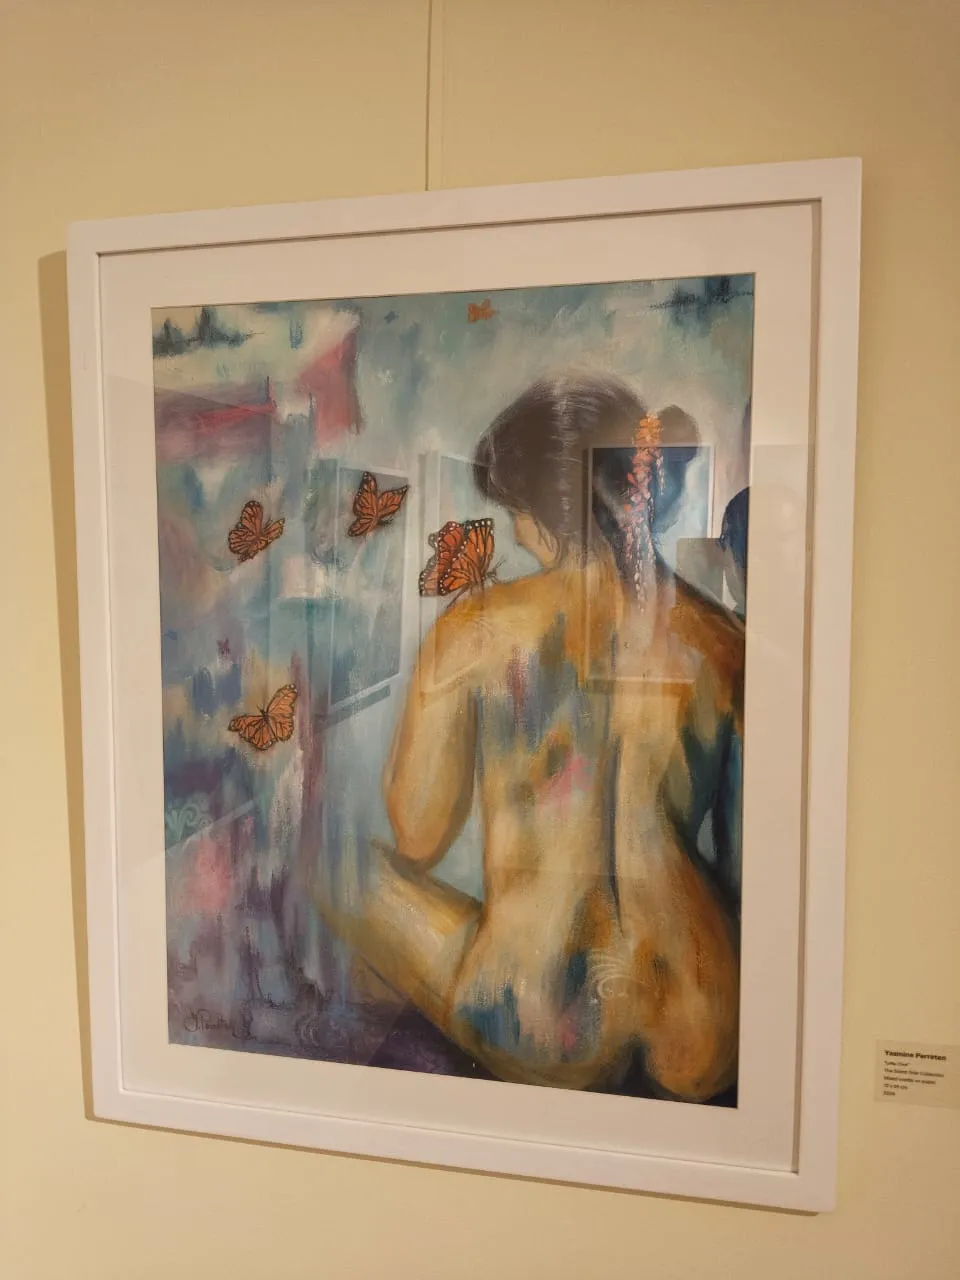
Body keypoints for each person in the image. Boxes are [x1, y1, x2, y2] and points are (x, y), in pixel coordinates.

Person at [318, 373, 743, 1101]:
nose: (513, 531)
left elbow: (417, 835)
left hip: (541, 1020)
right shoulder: (724, 642)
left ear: (541, 511)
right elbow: (743, 865)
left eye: (514, 510)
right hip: (700, 1028)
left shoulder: (475, 630)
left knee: (340, 868)